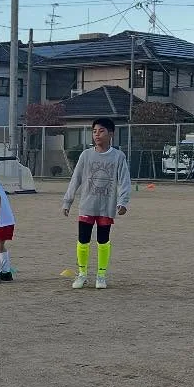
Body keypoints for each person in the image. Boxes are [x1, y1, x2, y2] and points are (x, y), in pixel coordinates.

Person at [62, 117, 131, 289]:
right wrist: (67, 201)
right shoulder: (86, 155)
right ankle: (82, 274)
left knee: (103, 240)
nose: (97, 135)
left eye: (101, 131)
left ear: (111, 134)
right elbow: (75, 179)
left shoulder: (118, 157)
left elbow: (124, 181)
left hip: (106, 206)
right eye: (94, 131)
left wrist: (123, 202)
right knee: (83, 240)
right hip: (87, 205)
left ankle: (101, 275)